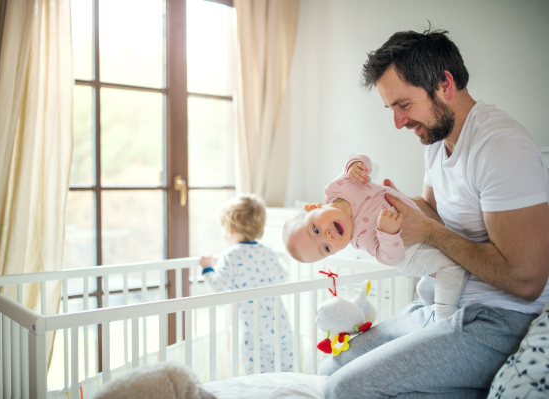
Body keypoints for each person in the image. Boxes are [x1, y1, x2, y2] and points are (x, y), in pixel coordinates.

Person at [317, 27, 549, 398]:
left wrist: (426, 231)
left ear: (445, 83)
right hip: (442, 304)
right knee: (331, 366)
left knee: (346, 389)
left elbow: (526, 280)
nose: (397, 122)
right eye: (391, 108)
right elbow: (434, 213)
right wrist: (385, 203)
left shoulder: (501, 148)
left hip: (496, 319)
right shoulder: (437, 140)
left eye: (404, 105)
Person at [283, 152, 469, 319]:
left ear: (312, 207)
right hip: (410, 253)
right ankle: (445, 317)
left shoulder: (337, 187)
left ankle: (428, 287)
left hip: (420, 223)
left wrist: (355, 166)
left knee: (442, 265)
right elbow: (391, 258)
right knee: (453, 264)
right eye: (325, 248)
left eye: (315, 230)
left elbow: (359, 158)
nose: (328, 236)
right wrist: (388, 233)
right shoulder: (360, 238)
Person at [200, 194, 294, 374]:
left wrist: (208, 268)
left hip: (253, 329)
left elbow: (219, 286)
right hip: (280, 325)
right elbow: (282, 277)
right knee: (284, 371)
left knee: (257, 375)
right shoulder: (267, 252)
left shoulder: (230, 255)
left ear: (230, 229)